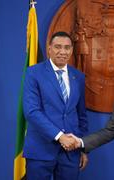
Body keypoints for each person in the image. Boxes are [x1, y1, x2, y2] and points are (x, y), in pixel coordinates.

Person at [22, 31, 88, 180]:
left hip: (71, 152)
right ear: (49, 48)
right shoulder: (33, 73)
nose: (62, 52)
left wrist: (83, 148)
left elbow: (81, 115)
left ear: (71, 50)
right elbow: (32, 112)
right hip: (41, 149)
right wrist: (60, 137)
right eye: (58, 47)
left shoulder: (78, 77)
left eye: (67, 48)